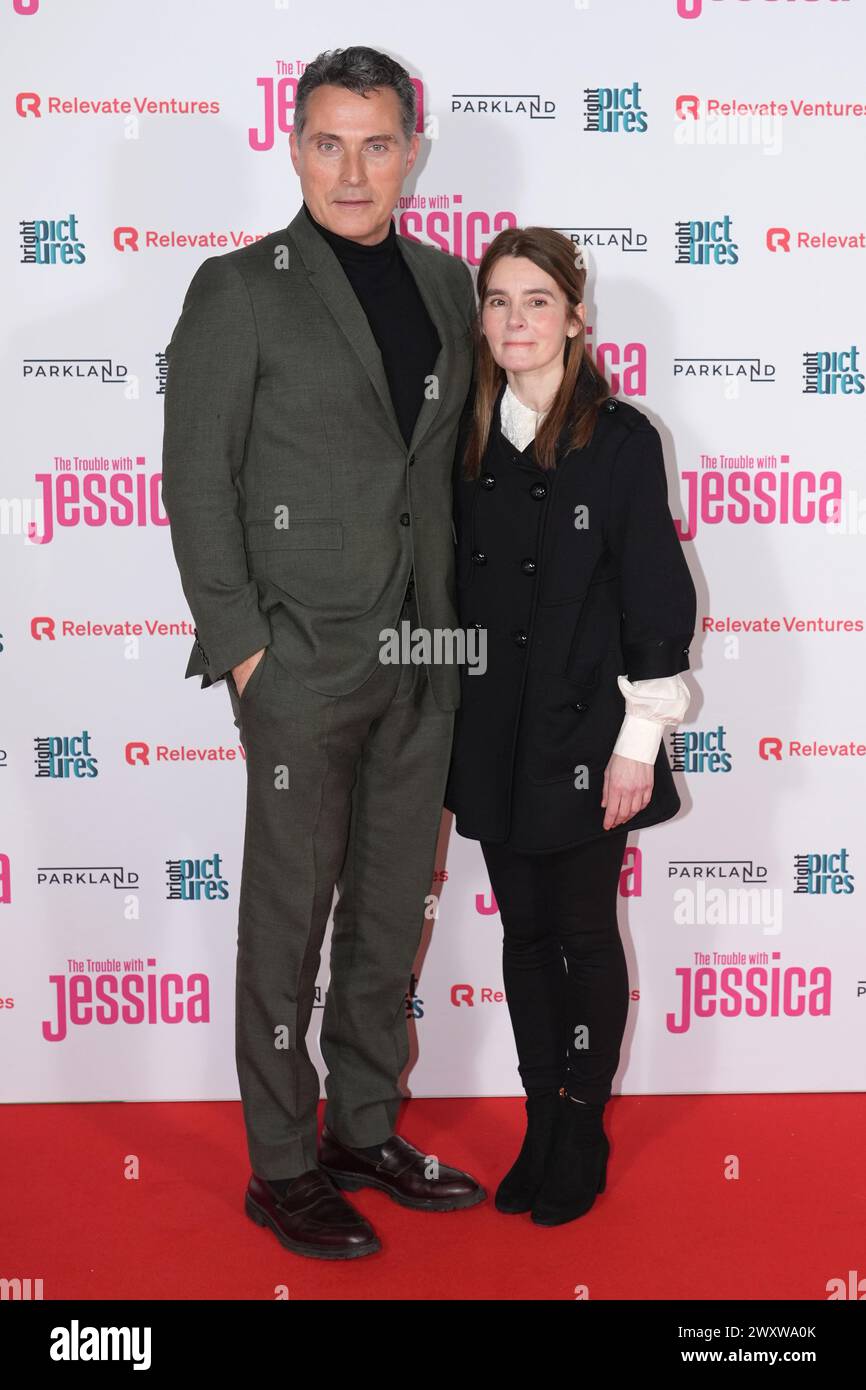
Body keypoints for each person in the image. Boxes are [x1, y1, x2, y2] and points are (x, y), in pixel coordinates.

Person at [161, 46, 485, 1262]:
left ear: (411, 149)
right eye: (329, 142)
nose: (353, 168)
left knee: (388, 907)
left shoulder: (450, 286)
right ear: (294, 148)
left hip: (423, 651)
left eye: (378, 141)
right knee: (288, 919)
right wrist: (246, 651)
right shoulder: (240, 288)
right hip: (299, 660)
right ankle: (281, 1162)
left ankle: (361, 1125)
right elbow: (198, 479)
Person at [444, 226, 697, 1226]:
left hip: (593, 739)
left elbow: (652, 595)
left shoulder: (621, 438)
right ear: (481, 318)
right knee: (523, 932)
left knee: (584, 934)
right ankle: (536, 1115)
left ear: (574, 318)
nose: (516, 319)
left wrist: (638, 741)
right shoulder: (462, 438)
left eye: (535, 300)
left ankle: (581, 1120)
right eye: (499, 300)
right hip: (492, 739)